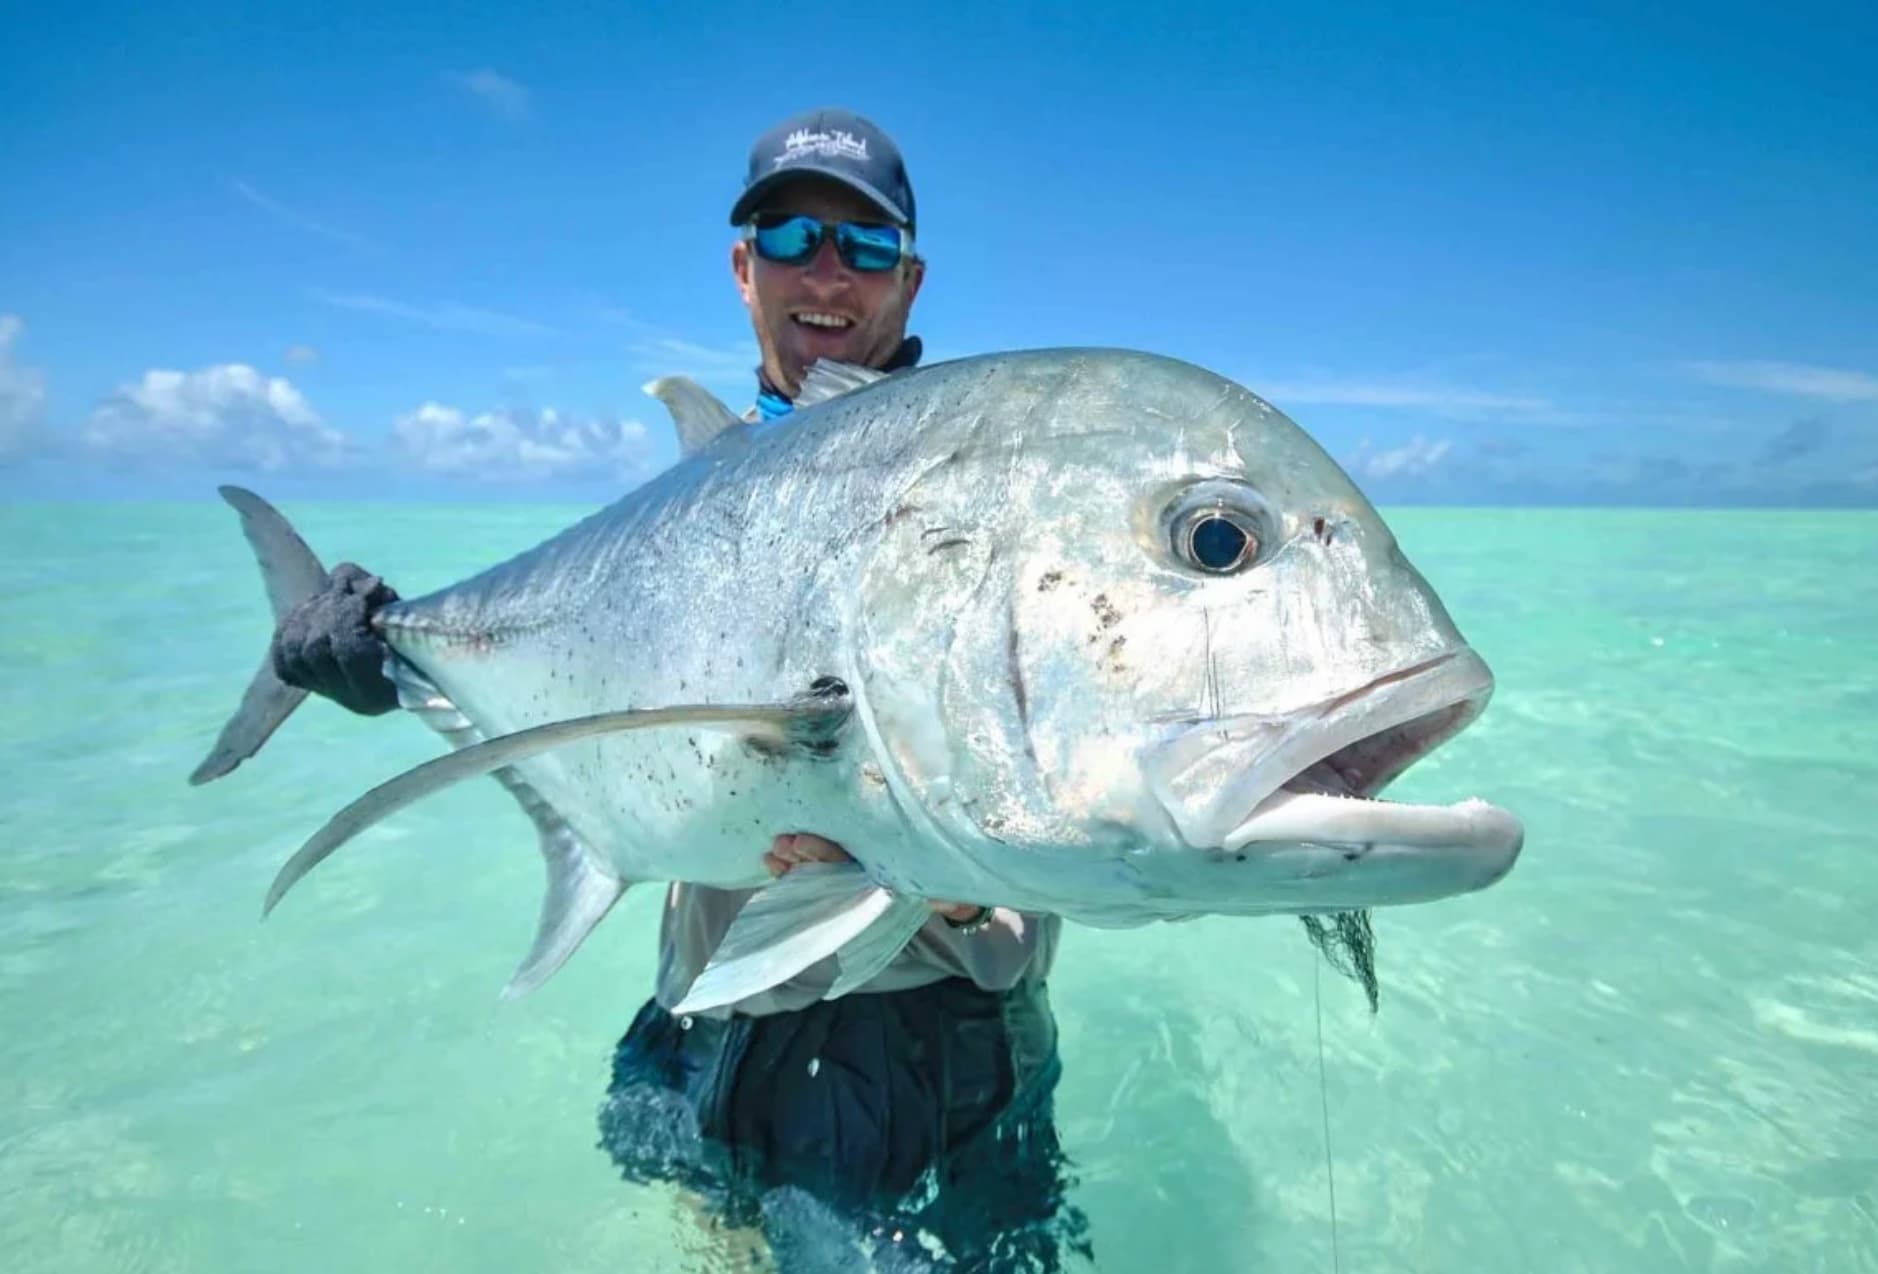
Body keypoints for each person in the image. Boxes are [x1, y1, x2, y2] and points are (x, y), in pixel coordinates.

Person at [268, 108, 1090, 1271]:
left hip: (923, 1046)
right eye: (796, 234)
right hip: (705, 1010)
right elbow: (593, 687)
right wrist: (392, 656)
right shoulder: (689, 504)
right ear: (742, 265)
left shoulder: (976, 476)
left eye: (862, 246)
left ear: (909, 276)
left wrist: (949, 877)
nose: (826, 273)